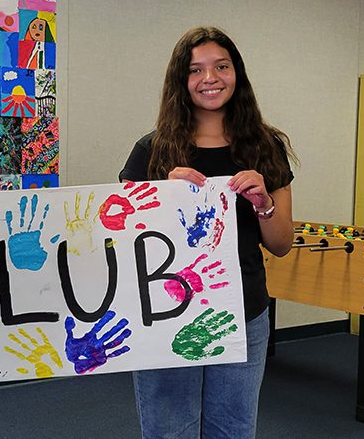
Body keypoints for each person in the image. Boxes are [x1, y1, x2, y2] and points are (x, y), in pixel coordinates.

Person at [119, 27, 296, 439]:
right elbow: (126, 240)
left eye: (221, 66)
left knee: (232, 430)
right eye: (196, 70)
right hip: (165, 314)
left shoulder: (266, 147)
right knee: (169, 431)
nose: (210, 78)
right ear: (181, 81)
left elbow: (281, 243)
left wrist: (263, 202)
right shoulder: (151, 150)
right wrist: (161, 196)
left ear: (238, 73)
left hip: (243, 313)